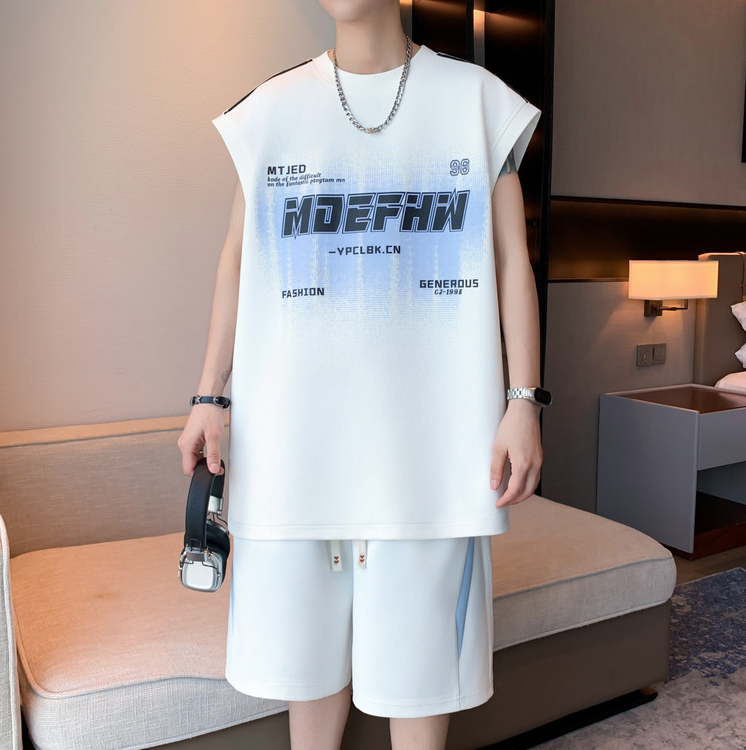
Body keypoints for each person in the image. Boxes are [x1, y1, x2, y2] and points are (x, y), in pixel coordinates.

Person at [177, 1, 546, 748]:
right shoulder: (271, 109)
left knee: (419, 678)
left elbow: (512, 259)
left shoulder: (476, 100)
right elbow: (237, 260)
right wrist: (210, 395)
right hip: (292, 444)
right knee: (307, 672)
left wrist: (524, 399)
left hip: (429, 450)